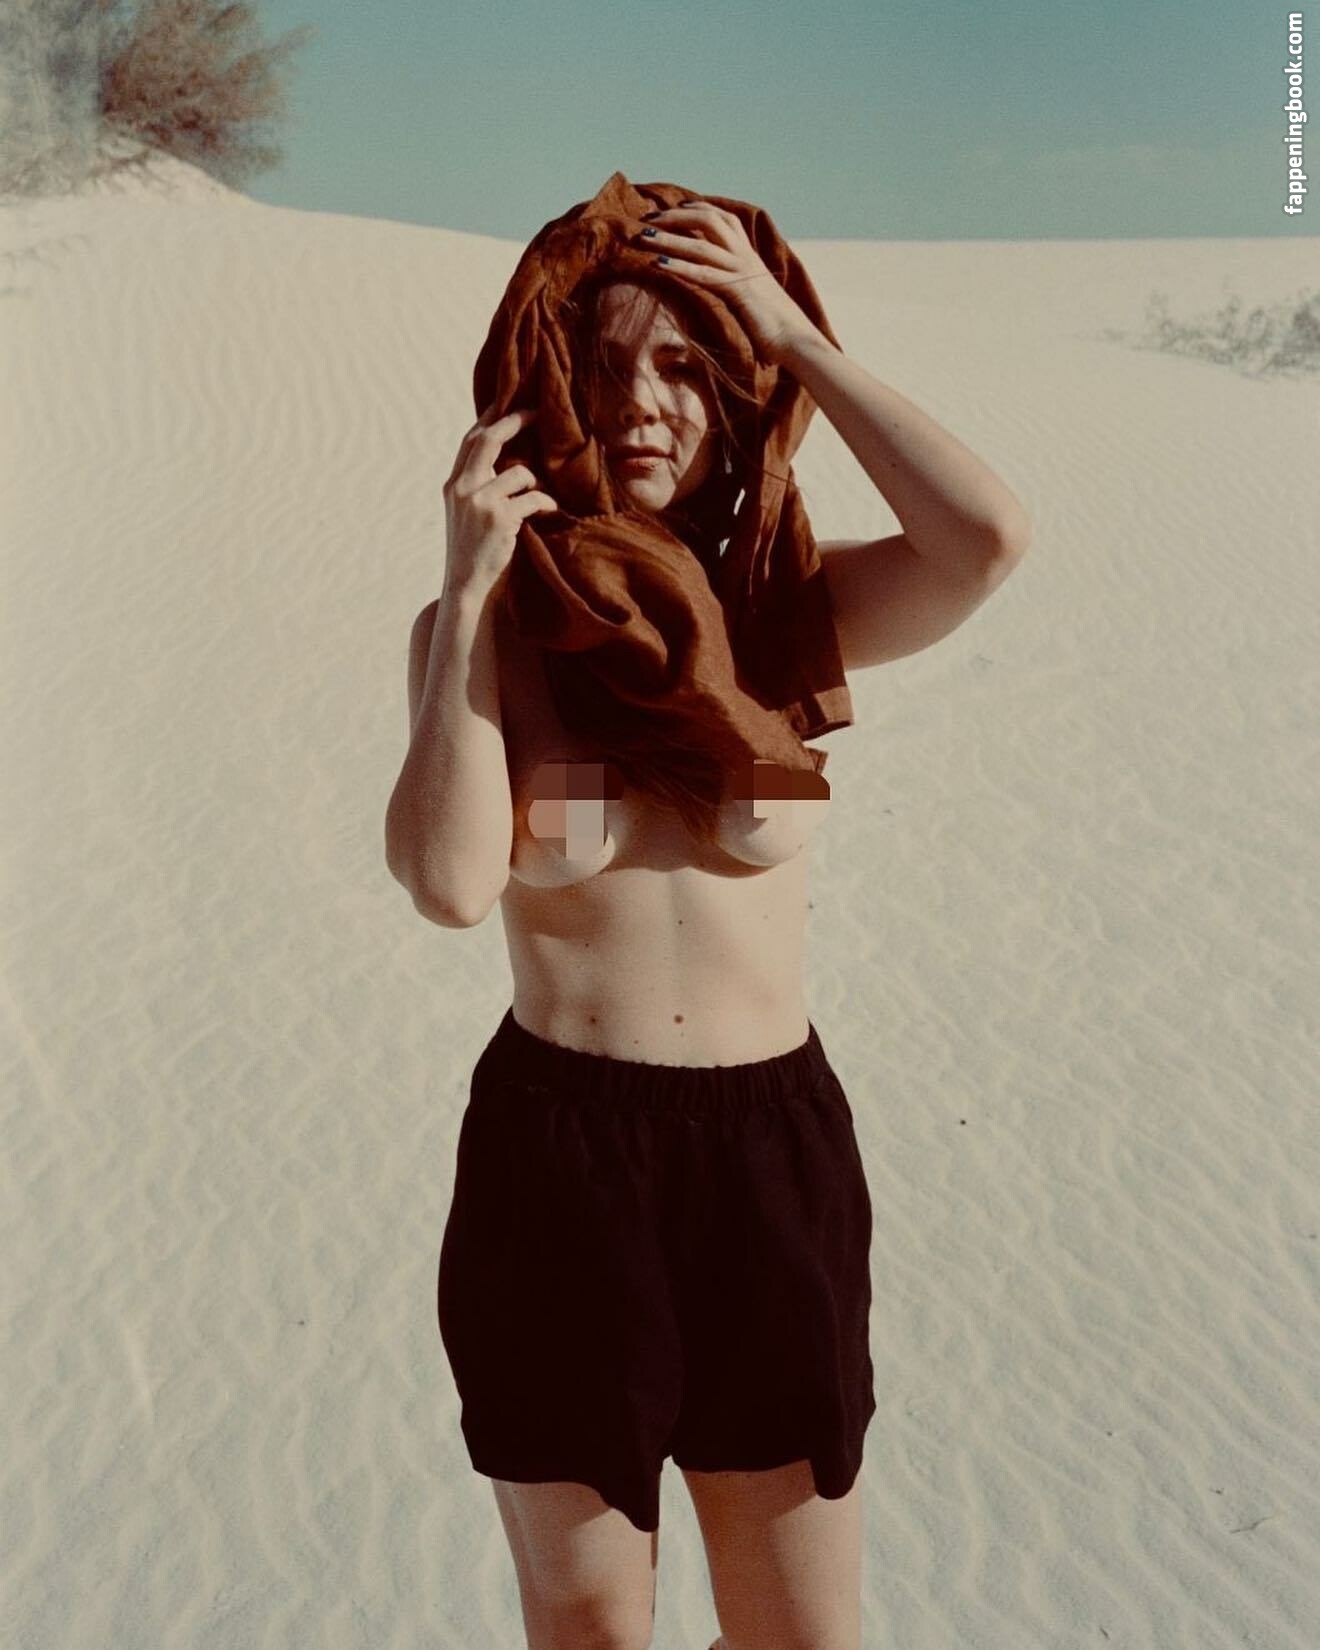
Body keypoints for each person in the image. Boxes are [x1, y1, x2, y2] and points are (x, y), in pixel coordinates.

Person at [385, 197, 1030, 1650]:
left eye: (686, 366)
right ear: (550, 390)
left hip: (768, 1158)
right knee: (593, 1632)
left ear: (738, 397)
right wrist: (469, 589)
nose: (642, 404)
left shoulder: (788, 614)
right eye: (606, 366)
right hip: (561, 1163)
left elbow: (988, 538)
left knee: (801, 1633)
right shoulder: (490, 636)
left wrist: (797, 335)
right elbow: (448, 881)